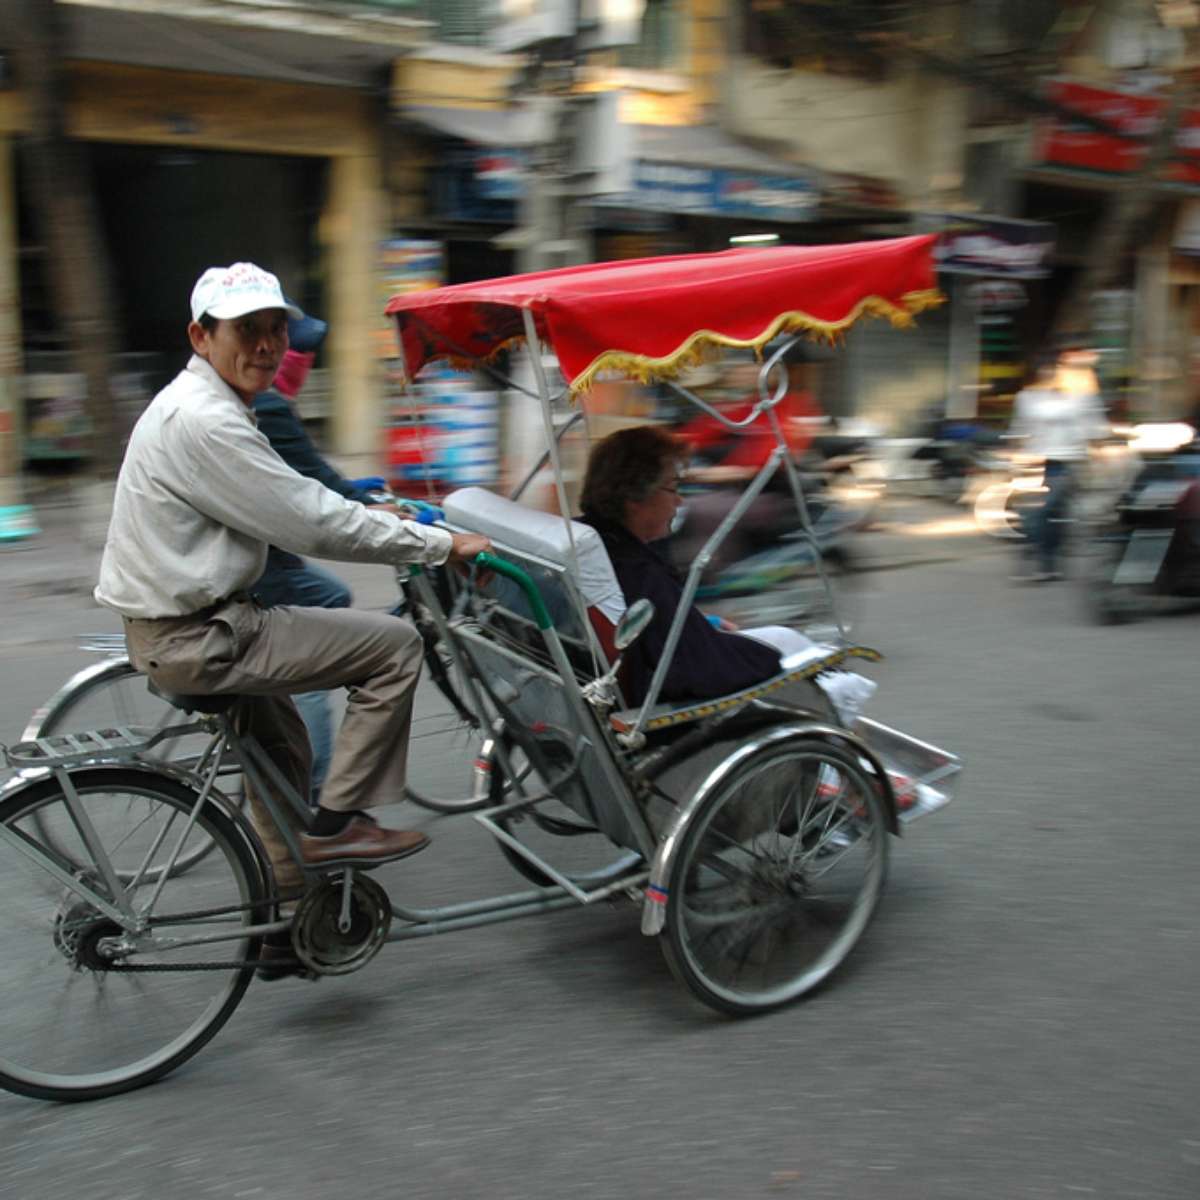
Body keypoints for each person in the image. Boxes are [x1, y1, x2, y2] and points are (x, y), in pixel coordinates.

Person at [95, 262, 491, 918]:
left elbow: (303, 493)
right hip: (204, 633)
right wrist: (440, 544)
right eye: (246, 329)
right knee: (393, 647)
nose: (265, 344)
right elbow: (307, 517)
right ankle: (339, 828)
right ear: (201, 337)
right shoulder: (207, 420)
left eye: (275, 329)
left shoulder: (210, 405)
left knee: (280, 756)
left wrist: (372, 514)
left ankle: (286, 922)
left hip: (189, 625)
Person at [579, 424, 874, 719]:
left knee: (785, 637)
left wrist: (701, 624)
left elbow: (661, 629)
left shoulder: (595, 541)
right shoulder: (638, 570)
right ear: (635, 498)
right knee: (803, 658)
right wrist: (774, 663)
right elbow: (701, 669)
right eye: (672, 488)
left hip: (652, 661)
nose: (679, 500)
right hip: (666, 697)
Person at [249, 306, 388, 803]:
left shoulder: (259, 403)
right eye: (299, 352)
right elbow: (316, 484)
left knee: (332, 595)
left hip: (257, 556)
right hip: (256, 566)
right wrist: (383, 515)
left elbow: (307, 474)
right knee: (337, 637)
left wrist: (359, 493)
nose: (301, 363)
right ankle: (315, 791)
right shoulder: (265, 405)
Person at [1008, 350, 1108, 581]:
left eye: (1054, 370)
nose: (1049, 374)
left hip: (1069, 463)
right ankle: (1050, 562)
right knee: (1048, 513)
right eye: (1045, 370)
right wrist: (1014, 452)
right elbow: (1019, 428)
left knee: (1045, 511)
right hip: (1036, 462)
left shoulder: (1081, 397)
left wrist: (1100, 454)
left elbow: (1095, 428)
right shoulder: (1027, 398)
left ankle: (1043, 563)